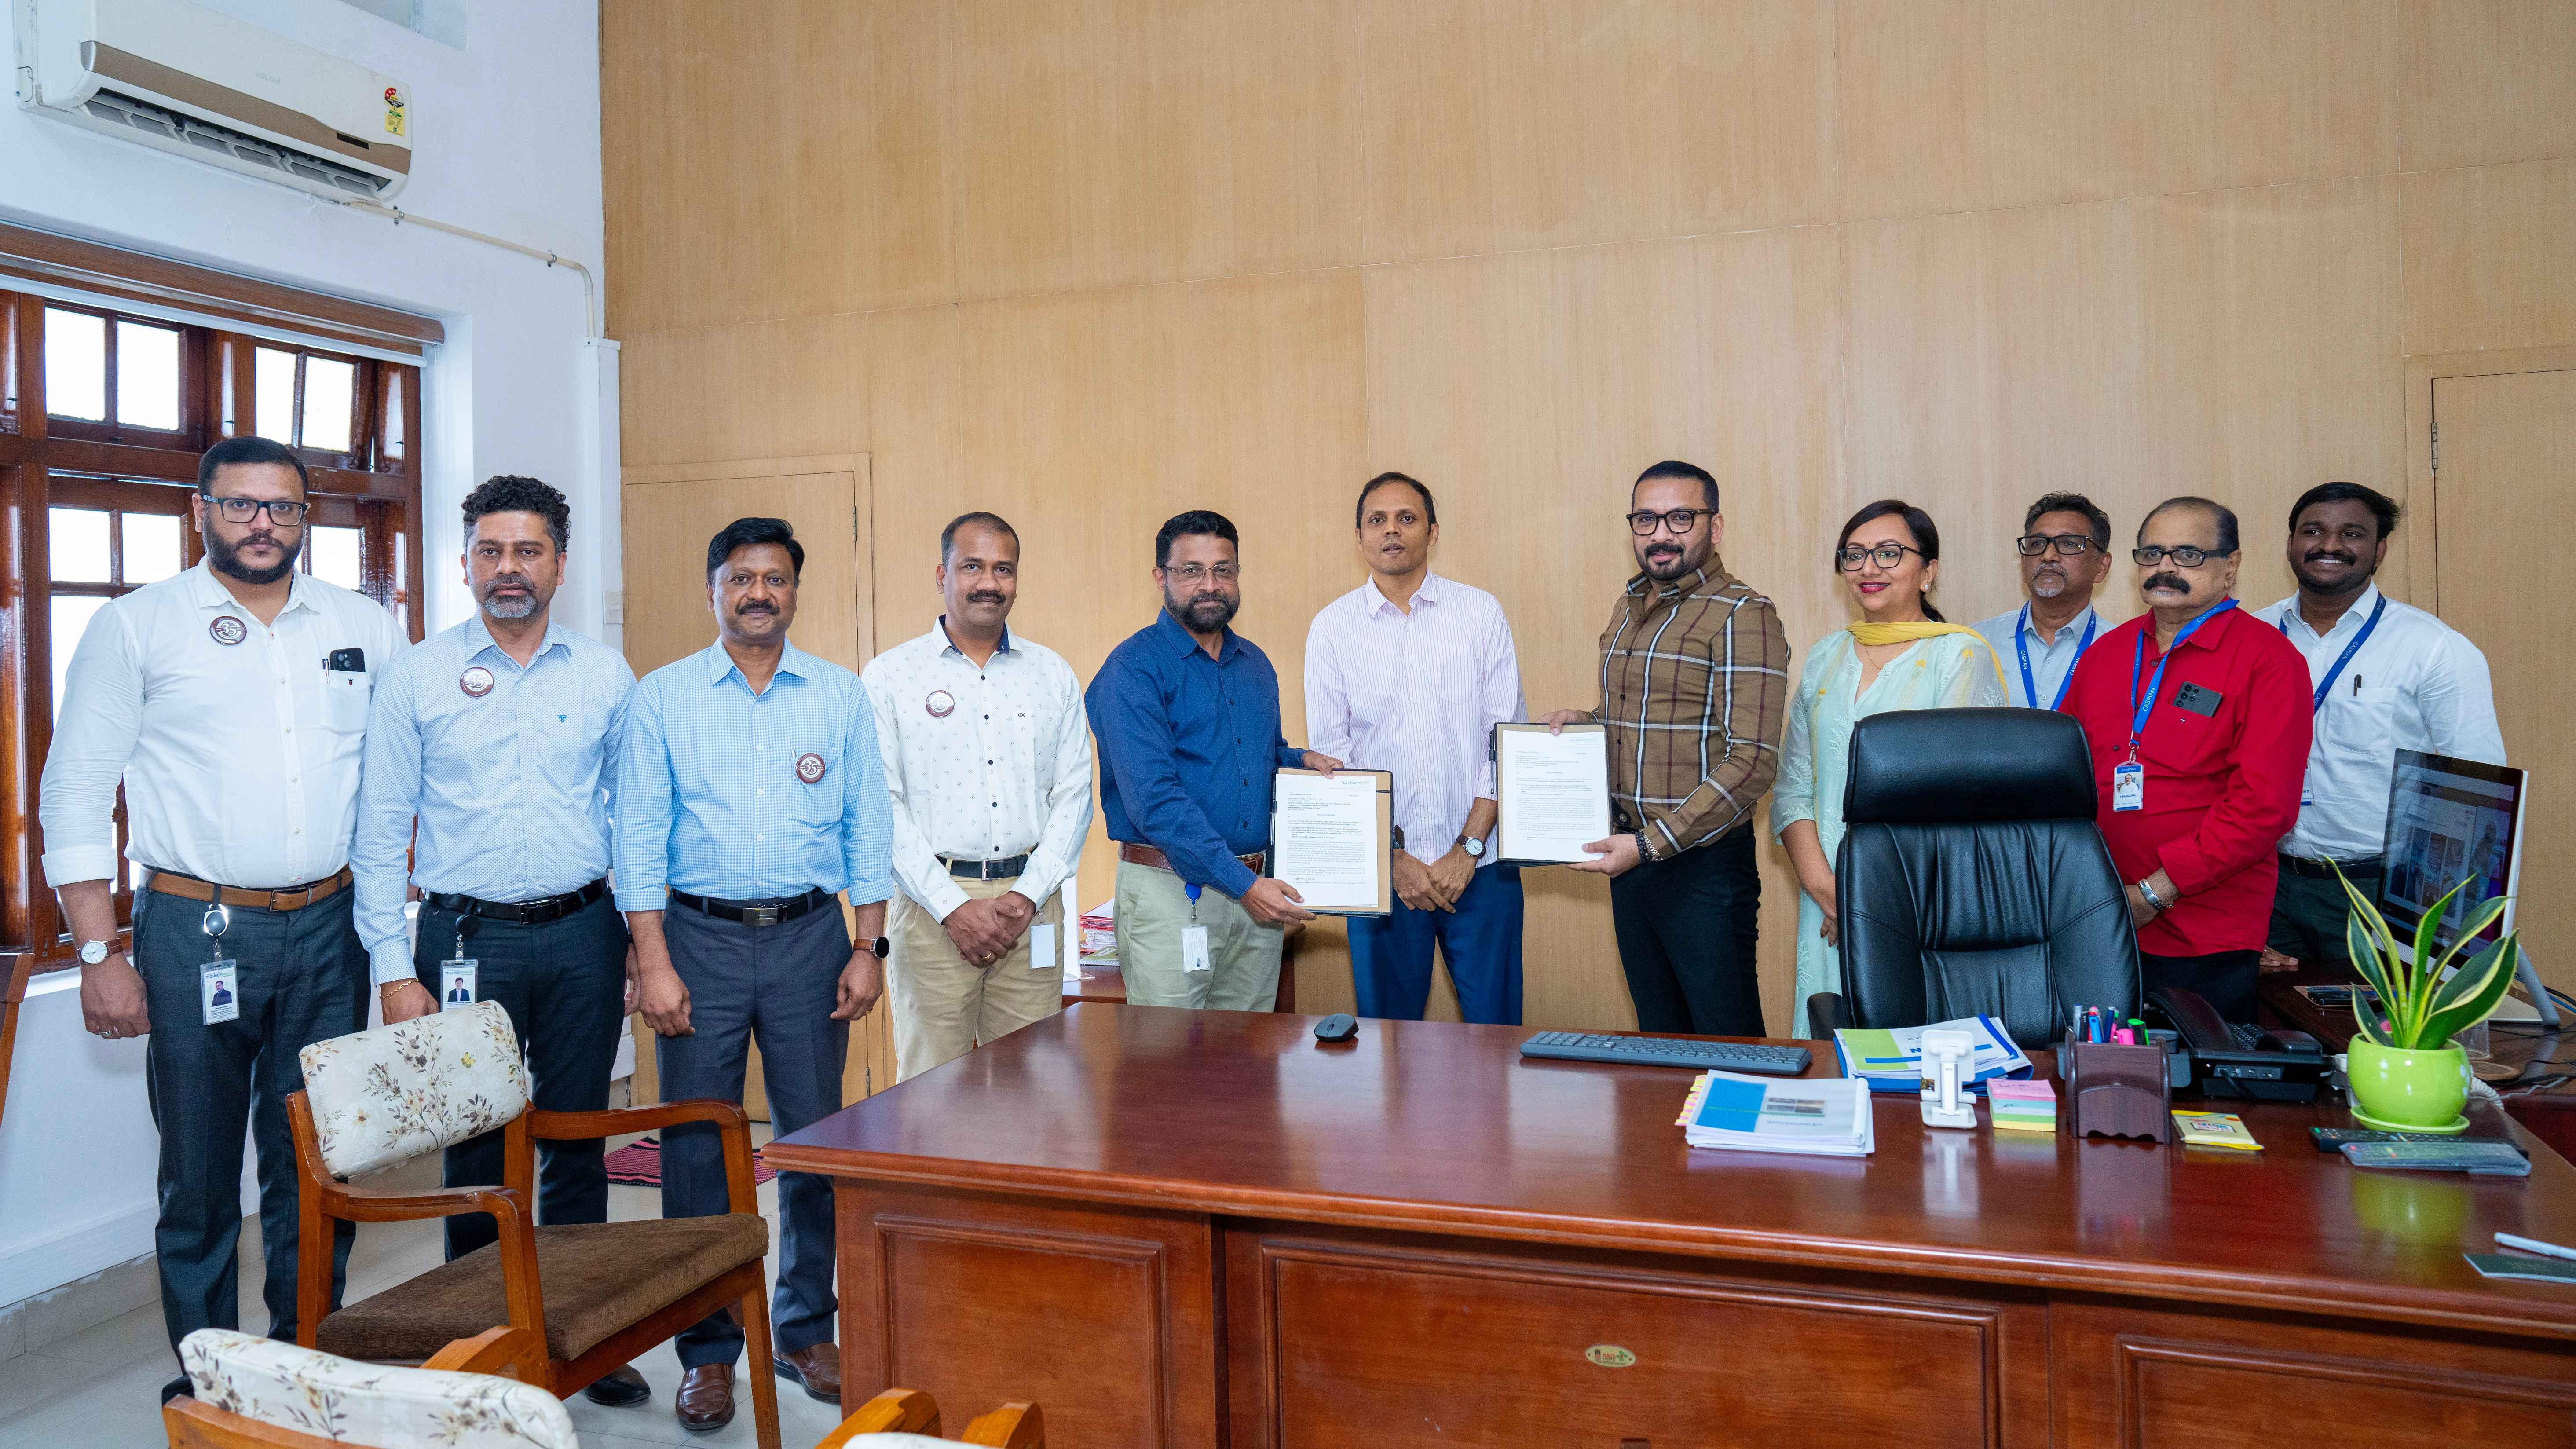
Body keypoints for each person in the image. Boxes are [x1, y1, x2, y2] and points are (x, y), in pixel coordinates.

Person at [37, 435, 407, 1403]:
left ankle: (309, 1360)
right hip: (193, 931)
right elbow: (75, 792)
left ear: (305, 516)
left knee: (320, 1166)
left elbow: (392, 787)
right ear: (200, 510)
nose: (261, 524)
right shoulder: (139, 626)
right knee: (199, 1177)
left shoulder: (363, 625)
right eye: (240, 505)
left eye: (281, 508)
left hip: (329, 930)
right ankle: (214, 1379)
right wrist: (96, 949)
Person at [348, 475, 651, 1409]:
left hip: (582, 935)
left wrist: (644, 945)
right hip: (461, 938)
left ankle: (580, 1331)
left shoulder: (605, 675)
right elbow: (377, 830)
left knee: (574, 1140)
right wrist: (395, 972)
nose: (507, 569)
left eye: (527, 551)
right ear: (465, 562)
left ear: (560, 563)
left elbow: (635, 820)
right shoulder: (418, 676)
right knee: (475, 1150)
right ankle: (476, 1339)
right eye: (490, 551)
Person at [615, 517, 893, 1431]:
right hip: (698, 941)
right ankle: (706, 1350)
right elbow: (638, 839)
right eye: (741, 579)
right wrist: (650, 960)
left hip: (814, 939)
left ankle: (806, 1328)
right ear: (714, 591)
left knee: (816, 1141)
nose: (759, 593)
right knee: (698, 1150)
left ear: (795, 593)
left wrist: (868, 945)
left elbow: (869, 829)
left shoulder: (840, 697)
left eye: (775, 579)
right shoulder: (662, 698)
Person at [1540, 461, 1789, 1036]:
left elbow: (1752, 760)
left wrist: (1650, 845)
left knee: (1728, 1049)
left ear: (1715, 526)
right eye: (1646, 519)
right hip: (1633, 862)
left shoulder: (1742, 614)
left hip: (1700, 869)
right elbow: (1648, 719)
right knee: (1660, 1044)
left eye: (1680, 517)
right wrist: (1587, 721)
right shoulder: (1630, 608)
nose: (1660, 534)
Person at [2058, 497, 2311, 1023]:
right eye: (2151, 553)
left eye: (2187, 554)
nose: (2165, 568)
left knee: (2194, 1091)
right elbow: (2059, 772)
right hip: (2101, 916)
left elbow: (2263, 808)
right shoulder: (2107, 653)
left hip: (2205, 930)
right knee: (2098, 1074)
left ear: (2231, 566)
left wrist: (2153, 893)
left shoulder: (2269, 661)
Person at [864, 511, 1093, 1081]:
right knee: (929, 1088)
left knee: (1034, 1086)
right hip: (930, 907)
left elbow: (1075, 794)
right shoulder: (890, 676)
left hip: (1031, 903)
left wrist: (1029, 894)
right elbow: (880, 807)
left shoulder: (1052, 674)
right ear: (942, 574)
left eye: (1003, 568)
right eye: (973, 566)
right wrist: (952, 906)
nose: (989, 582)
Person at [1086, 510, 1342, 1011]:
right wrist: (1245, 885)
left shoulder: (1256, 665)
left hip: (1253, 897)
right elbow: (1155, 800)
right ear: (1161, 577)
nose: (1210, 584)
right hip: (1171, 893)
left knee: (1249, 1068)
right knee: (1169, 1068)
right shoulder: (1131, 671)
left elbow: (1252, 758)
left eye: (1223, 570)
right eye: (1191, 571)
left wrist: (1299, 760)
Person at [1775, 501, 2006, 1036]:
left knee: (1911, 1066)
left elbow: (1956, 803)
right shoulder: (1825, 655)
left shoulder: (1961, 657)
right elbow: (1792, 790)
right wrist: (1827, 890)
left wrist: (1870, 903)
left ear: (1929, 571)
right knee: (1832, 1050)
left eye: (1889, 554)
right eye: (1854, 555)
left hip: (1917, 903)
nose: (1868, 569)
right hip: (1827, 902)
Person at [1305, 473, 1527, 1023]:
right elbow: (1335, 762)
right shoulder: (1331, 629)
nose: (1392, 531)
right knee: (1390, 1052)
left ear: (1432, 532)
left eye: (1407, 518)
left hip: (1482, 870)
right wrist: (1394, 861)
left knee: (1494, 1041)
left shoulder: (1480, 614)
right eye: (1377, 521)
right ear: (1359, 538)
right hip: (1383, 880)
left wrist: (1467, 850)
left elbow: (1504, 744)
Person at [2259, 481, 2503, 969]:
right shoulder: (2253, 637)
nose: (2329, 546)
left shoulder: (2433, 648)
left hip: (2377, 890)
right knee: (2270, 1035)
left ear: (2379, 550)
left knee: (2371, 1035)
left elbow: (2477, 785)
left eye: (2351, 534)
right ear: (2290, 543)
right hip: (2265, 883)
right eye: (2313, 531)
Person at [1974, 492, 2113, 711]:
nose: (2049, 556)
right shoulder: (1978, 644)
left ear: (2102, 567)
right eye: (2037, 543)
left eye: (2068, 543)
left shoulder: (2123, 652)